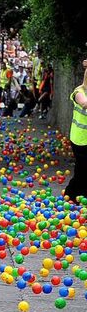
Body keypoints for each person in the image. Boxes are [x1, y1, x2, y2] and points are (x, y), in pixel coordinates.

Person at [66, 59, 87, 204]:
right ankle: (72, 194)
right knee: (82, 169)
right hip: (79, 139)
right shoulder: (78, 91)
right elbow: (84, 103)